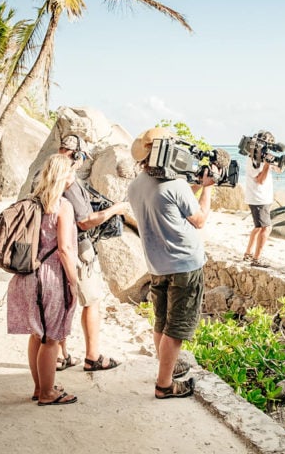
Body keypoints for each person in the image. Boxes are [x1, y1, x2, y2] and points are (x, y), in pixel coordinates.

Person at [127, 127, 216, 399]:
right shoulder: (175, 186)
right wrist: (208, 189)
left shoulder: (136, 184)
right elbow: (199, 219)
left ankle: (167, 367)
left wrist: (196, 185)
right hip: (184, 265)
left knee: (161, 322)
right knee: (176, 329)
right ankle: (164, 385)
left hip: (157, 265)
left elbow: (168, 202)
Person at [7, 154, 80, 405]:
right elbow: (65, 249)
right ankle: (48, 394)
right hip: (49, 277)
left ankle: (40, 387)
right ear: (64, 175)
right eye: (72, 170)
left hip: (27, 275)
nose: (75, 174)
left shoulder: (32, 202)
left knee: (37, 335)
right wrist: (74, 281)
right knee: (52, 338)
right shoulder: (62, 206)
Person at [53, 135, 128, 372]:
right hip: (77, 249)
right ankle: (93, 356)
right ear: (77, 156)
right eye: (82, 157)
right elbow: (84, 222)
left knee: (59, 305)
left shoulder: (44, 175)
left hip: (49, 250)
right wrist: (115, 209)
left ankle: (60, 355)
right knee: (92, 301)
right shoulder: (68, 182)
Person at [243, 130, 279, 268]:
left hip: (261, 198)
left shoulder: (260, 157)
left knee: (258, 227)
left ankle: (248, 254)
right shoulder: (253, 159)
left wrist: (276, 163)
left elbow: (279, 170)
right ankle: (256, 259)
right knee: (267, 228)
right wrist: (267, 165)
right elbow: (260, 180)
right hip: (258, 199)